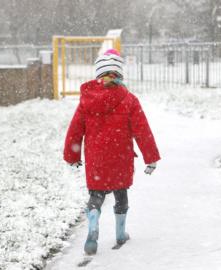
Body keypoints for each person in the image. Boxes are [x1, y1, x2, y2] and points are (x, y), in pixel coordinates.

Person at [63, 49, 161, 255]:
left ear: (98, 74)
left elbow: (75, 129)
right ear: (119, 74)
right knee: (121, 193)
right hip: (121, 155)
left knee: (96, 194)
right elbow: (142, 130)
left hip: (96, 157)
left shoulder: (87, 99)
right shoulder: (129, 99)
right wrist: (150, 158)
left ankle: (92, 221)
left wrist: (72, 156)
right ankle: (120, 233)